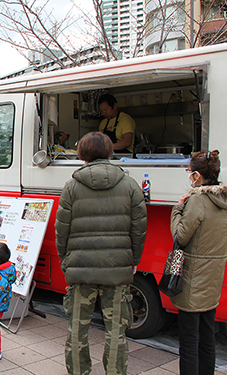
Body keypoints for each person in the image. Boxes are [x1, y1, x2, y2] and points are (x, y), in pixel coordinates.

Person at [55, 132, 147, 375]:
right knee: (116, 331)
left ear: (82, 154)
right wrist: (134, 260)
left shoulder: (71, 187)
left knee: (77, 330)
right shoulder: (130, 185)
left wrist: (65, 259)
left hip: (80, 268)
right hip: (117, 270)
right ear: (109, 152)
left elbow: (61, 229)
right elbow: (139, 229)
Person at [170, 150, 227, 375]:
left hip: (193, 279)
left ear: (196, 176)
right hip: (214, 278)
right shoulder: (223, 199)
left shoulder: (197, 200)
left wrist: (177, 209)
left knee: (189, 341)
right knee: (207, 337)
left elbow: (180, 237)